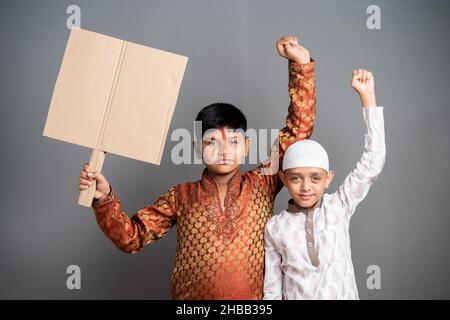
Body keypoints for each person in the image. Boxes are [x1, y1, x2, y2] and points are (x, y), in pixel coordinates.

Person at [78, 35, 317, 300]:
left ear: (246, 146)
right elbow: (131, 238)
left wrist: (301, 66)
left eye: (233, 141)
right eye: (212, 142)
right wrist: (103, 198)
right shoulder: (180, 196)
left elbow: (297, 133)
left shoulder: (263, 182)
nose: (224, 150)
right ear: (197, 147)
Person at [263, 69, 386, 300]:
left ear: (328, 178)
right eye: (296, 178)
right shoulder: (275, 228)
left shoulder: (338, 207)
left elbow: (373, 161)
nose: (305, 186)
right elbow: (271, 290)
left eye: (315, 178)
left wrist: (368, 97)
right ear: (283, 179)